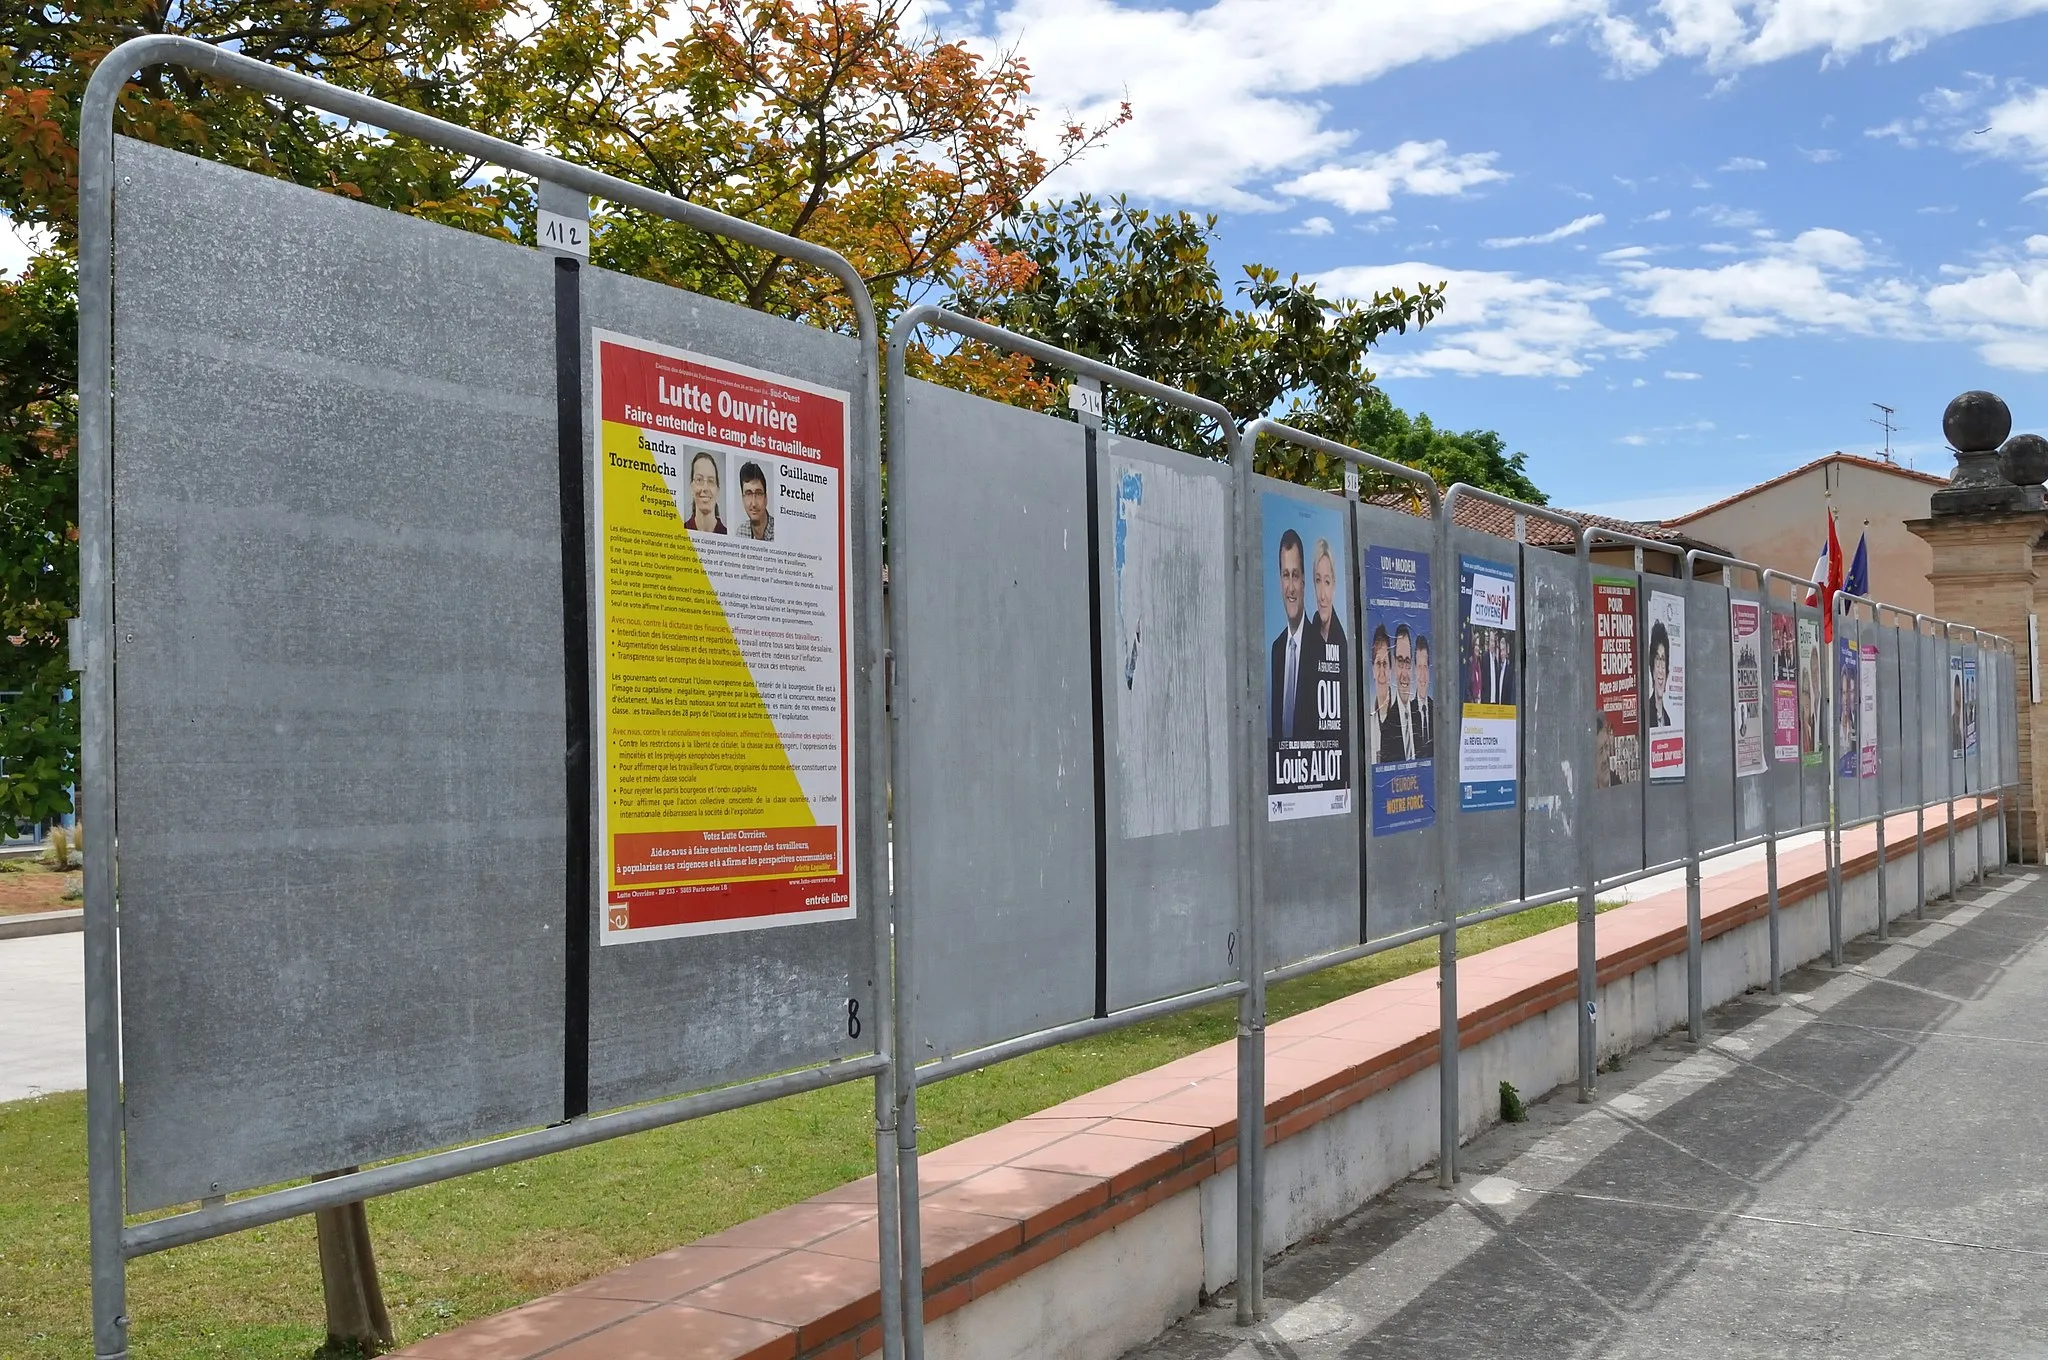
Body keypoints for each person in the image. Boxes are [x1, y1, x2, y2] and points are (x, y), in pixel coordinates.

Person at [1269, 529, 1316, 741]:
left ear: (1304, 581)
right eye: (1285, 575)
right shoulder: (1277, 649)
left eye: (1295, 575)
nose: (1290, 588)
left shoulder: (1320, 644)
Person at [1379, 624, 1418, 762]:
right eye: (1400, 662)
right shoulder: (1388, 727)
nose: (1404, 674)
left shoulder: (1423, 717)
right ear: (1394, 665)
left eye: (1407, 663)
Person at [1368, 626, 1393, 763]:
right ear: (1372, 669)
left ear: (1391, 668)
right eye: (1378, 663)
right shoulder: (1368, 719)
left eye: (1385, 663)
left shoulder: (1402, 716)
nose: (1382, 672)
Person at [686, 451, 727, 534]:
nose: (705, 488)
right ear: (691, 486)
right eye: (699, 480)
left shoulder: (726, 533)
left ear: (717, 490)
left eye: (711, 481)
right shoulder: (681, 530)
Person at [736, 460, 775, 541]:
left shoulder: (778, 530)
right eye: (748, 494)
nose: (753, 503)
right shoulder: (740, 533)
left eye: (758, 493)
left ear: (766, 498)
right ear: (742, 499)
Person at [1648, 621, 1673, 729]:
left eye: (1663, 660)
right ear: (1652, 669)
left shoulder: (1667, 719)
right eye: (1657, 659)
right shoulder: (1647, 713)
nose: (1660, 669)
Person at [1414, 635, 1434, 758]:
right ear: (1414, 670)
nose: (1422, 675)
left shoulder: (1437, 710)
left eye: (1425, 667)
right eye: (1419, 667)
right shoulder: (1406, 713)